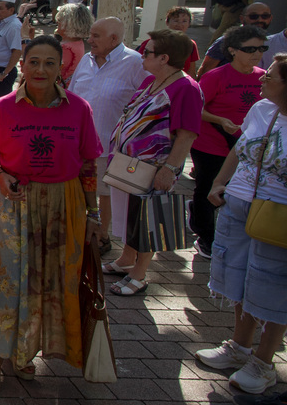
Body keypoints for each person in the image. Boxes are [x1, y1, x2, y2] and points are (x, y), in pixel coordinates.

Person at [0, 35, 103, 391]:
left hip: (65, 205)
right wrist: (1, 175)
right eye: (34, 62)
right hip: (13, 204)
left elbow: (89, 164)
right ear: (23, 65)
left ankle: (26, 350)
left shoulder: (79, 109)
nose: (41, 70)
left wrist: (93, 216)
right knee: (9, 280)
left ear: (61, 66)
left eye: (50, 62)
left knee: (49, 280)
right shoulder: (1, 108)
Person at [194, 52, 287, 396]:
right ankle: (240, 346)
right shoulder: (262, 109)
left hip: (278, 216)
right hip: (238, 205)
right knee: (237, 274)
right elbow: (238, 150)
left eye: (271, 76)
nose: (262, 79)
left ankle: (264, 364)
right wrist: (221, 182)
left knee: (272, 285)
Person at [104, 29, 203, 296]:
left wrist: (169, 169)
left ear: (164, 58)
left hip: (154, 168)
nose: (141, 55)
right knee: (129, 214)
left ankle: (139, 274)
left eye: (147, 52)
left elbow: (187, 133)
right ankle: (126, 259)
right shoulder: (153, 81)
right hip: (131, 165)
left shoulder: (186, 88)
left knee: (148, 218)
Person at [67, 17, 148, 253]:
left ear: (114, 39)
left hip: (111, 146)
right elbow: (72, 96)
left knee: (106, 193)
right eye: (90, 35)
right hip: (77, 144)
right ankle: (79, 231)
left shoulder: (135, 63)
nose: (89, 40)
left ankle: (102, 236)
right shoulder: (86, 60)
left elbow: (145, 102)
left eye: (95, 36)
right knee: (79, 190)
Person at [190, 25, 267, 259]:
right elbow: (194, 109)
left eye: (262, 48)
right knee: (207, 189)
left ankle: (219, 229)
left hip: (247, 148)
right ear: (232, 50)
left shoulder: (264, 76)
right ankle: (205, 238)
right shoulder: (216, 76)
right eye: (250, 49)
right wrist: (220, 120)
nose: (257, 53)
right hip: (211, 144)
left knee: (235, 192)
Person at [197, 3, 273, 78]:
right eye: (253, 16)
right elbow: (205, 71)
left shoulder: (274, 41)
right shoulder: (227, 40)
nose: (260, 20)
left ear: (270, 18)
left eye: (265, 16)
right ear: (242, 18)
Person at [137, 7, 199, 76]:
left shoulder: (190, 45)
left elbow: (191, 72)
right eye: (176, 20)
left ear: (189, 23)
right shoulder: (152, 43)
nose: (180, 24)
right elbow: (137, 64)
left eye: (184, 21)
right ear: (167, 22)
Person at [54, 3, 93, 84]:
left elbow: (54, 71)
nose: (57, 22)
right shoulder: (77, 42)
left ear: (69, 24)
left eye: (60, 20)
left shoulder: (66, 48)